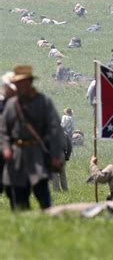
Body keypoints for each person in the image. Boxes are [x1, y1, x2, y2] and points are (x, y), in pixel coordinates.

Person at [1, 65, 64, 210]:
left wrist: (55, 155)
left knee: (42, 194)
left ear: (30, 82)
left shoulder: (43, 102)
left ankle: (48, 217)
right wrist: (5, 148)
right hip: (17, 156)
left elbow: (55, 129)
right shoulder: (11, 105)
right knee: (18, 197)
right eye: (18, 83)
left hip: (37, 154)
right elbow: (3, 131)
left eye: (23, 82)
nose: (20, 86)